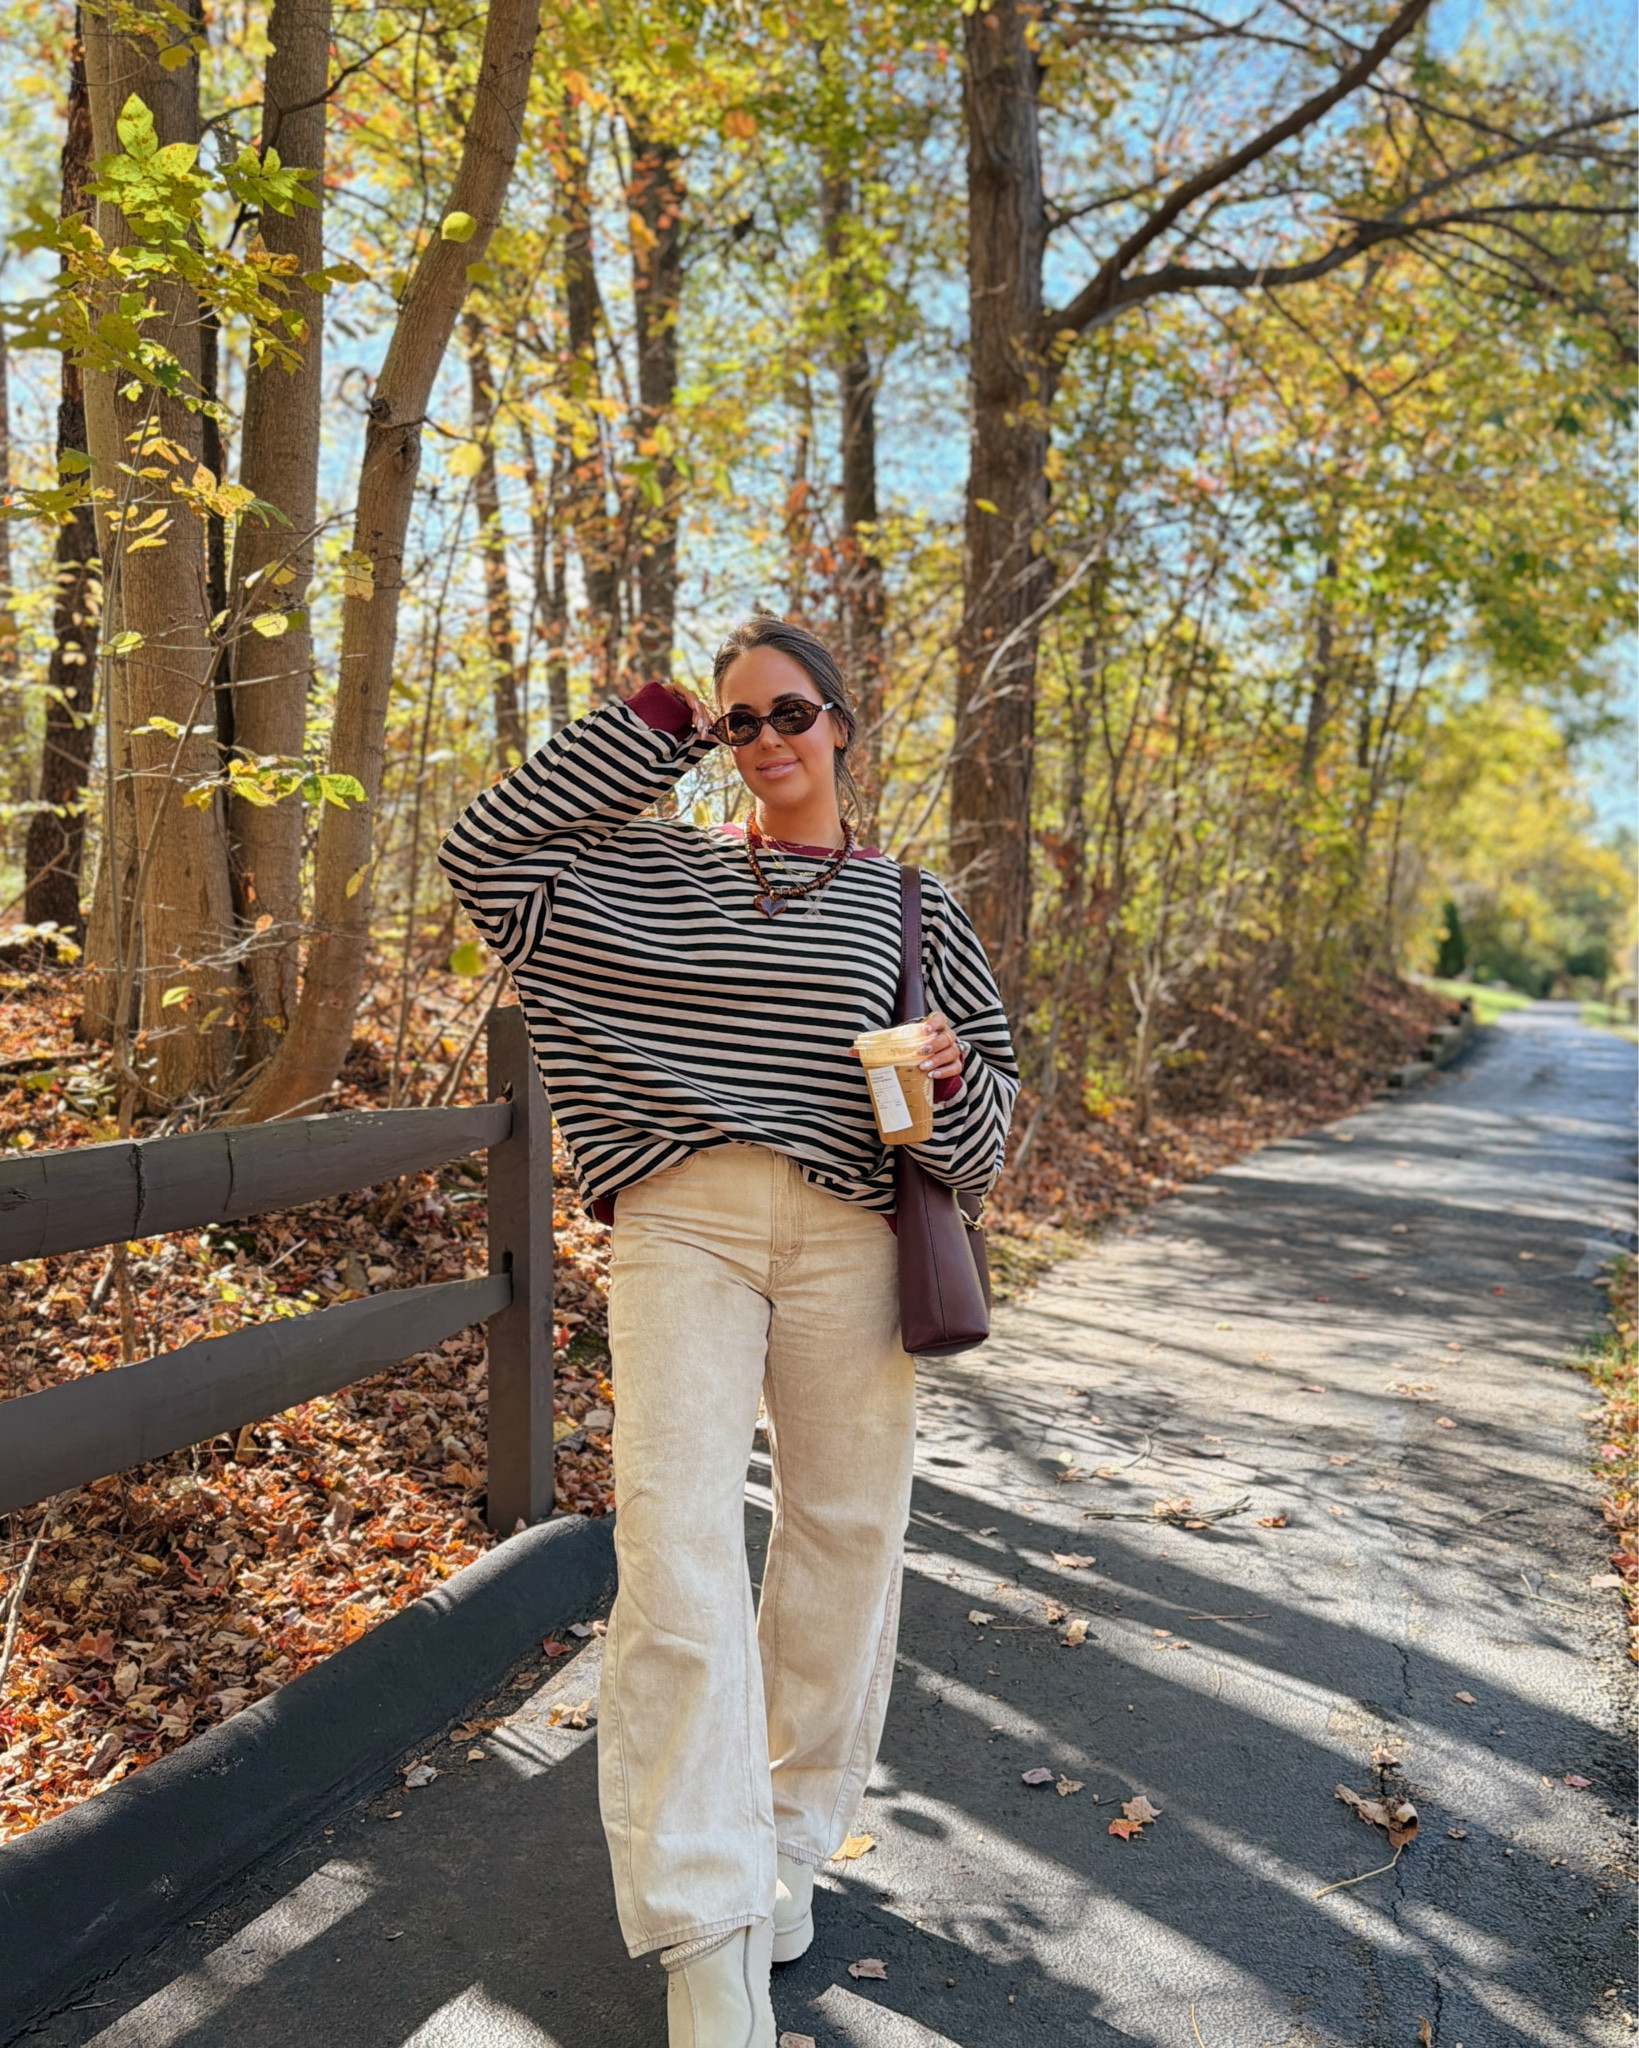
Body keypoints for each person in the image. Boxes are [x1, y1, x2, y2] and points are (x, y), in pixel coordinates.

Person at [438, 614, 1017, 2048]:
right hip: (681, 1222)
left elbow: (990, 1144)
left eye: (791, 713)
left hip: (851, 1239)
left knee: (841, 1539)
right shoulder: (646, 871)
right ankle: (704, 1926)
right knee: (676, 1541)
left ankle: (787, 1850)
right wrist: (653, 723)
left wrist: (941, 1085)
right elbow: (482, 854)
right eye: (737, 720)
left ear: (842, 725)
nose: (766, 741)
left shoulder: (911, 906)